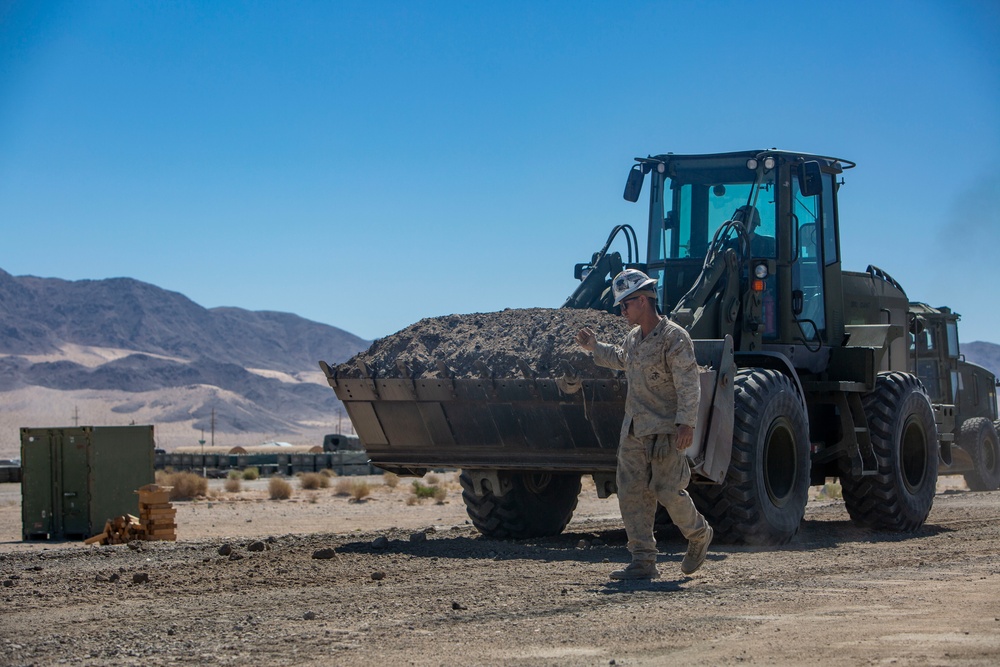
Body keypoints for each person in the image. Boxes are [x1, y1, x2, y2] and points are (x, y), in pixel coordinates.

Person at [575, 268, 713, 579]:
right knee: (632, 493)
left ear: (642, 301)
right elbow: (624, 359)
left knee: (667, 490)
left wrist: (686, 424)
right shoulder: (633, 338)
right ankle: (642, 561)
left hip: (665, 430)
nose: (622, 311)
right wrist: (595, 348)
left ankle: (699, 534)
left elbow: (689, 384)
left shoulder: (674, 338)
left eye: (625, 305)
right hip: (634, 431)